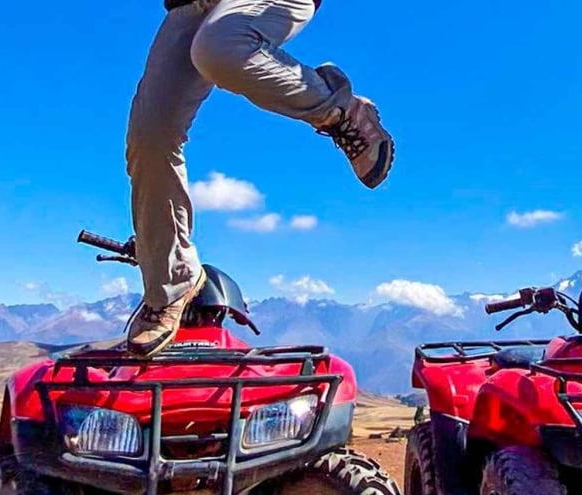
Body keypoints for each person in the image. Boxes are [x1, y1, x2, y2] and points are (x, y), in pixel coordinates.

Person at [124, 0, 394, 355]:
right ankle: (171, 283)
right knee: (149, 136)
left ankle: (337, 109)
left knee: (220, 45)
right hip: (188, 6)